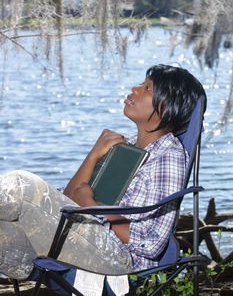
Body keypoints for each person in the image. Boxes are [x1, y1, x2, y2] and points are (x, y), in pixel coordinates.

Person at [0, 64, 206, 285]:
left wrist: (91, 203)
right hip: (83, 240)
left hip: (122, 262)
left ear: (166, 106)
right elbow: (69, 199)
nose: (134, 88)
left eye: (147, 88)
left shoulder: (168, 156)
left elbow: (151, 243)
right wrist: (94, 155)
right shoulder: (124, 147)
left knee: (21, 185)